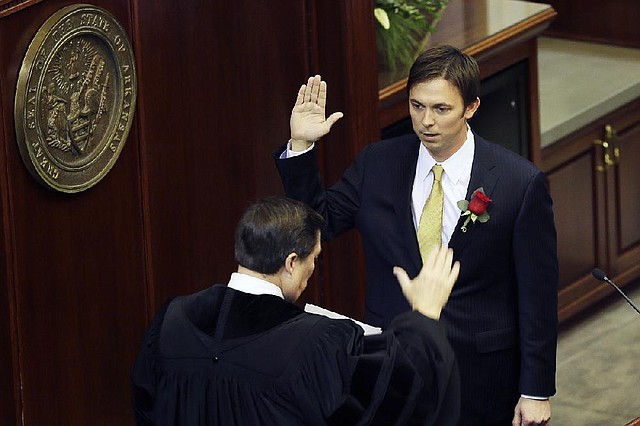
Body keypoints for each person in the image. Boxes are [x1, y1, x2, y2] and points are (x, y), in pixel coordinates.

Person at [273, 45, 559, 426]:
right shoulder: (377, 162)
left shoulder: (518, 183)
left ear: (471, 107)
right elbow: (317, 223)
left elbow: (537, 295)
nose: (426, 121)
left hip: (481, 373)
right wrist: (302, 146)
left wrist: (535, 390)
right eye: (416, 106)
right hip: (392, 366)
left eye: (441, 109)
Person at [131, 196, 461, 425]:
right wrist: (424, 316)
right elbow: (395, 401)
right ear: (291, 262)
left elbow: (148, 408)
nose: (312, 270)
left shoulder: (170, 321)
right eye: (314, 258)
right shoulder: (319, 342)